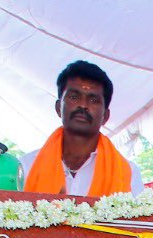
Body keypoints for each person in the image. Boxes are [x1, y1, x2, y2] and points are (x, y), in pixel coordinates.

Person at [19, 60, 142, 197]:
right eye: (74, 97)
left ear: (105, 116)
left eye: (93, 100)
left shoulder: (128, 173)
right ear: (58, 108)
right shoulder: (25, 167)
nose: (83, 105)